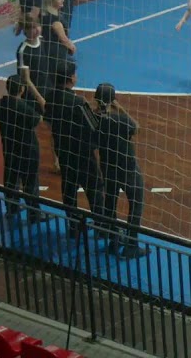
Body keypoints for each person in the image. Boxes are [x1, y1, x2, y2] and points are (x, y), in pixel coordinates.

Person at [44, 62, 103, 237]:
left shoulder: (50, 97)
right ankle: (101, 226)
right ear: (70, 78)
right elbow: (94, 125)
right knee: (94, 189)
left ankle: (73, 226)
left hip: (63, 152)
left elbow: (49, 120)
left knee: (69, 189)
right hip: (83, 154)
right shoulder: (78, 102)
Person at [94, 83, 148, 258]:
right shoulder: (120, 120)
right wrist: (121, 109)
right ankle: (131, 244)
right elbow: (136, 127)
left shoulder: (93, 120)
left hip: (108, 168)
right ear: (113, 100)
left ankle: (113, 239)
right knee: (136, 202)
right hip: (127, 168)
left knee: (110, 202)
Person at [0, 75, 44, 220]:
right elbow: (38, 120)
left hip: (9, 149)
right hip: (27, 150)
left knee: (10, 180)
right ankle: (34, 213)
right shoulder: (24, 108)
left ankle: (11, 208)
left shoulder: (0, 104)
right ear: (22, 89)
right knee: (30, 183)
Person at [41, 0, 76, 66]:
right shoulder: (56, 21)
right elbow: (63, 39)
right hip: (57, 52)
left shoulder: (44, 15)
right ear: (52, 1)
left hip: (46, 48)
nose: (63, 0)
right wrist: (72, 47)